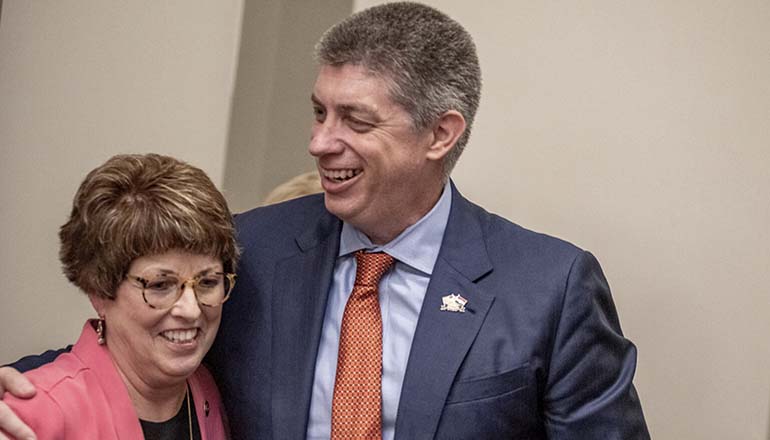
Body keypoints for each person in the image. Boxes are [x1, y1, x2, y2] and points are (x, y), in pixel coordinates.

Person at [1, 3, 650, 439]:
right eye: (320, 113)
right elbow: (133, 342)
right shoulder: (251, 248)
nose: (318, 144)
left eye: (356, 121)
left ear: (440, 135)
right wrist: (24, 391)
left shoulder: (550, 286)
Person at [1, 154, 239, 439]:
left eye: (208, 282)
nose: (191, 310)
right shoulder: (38, 411)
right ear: (99, 290)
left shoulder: (207, 390)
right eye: (160, 285)